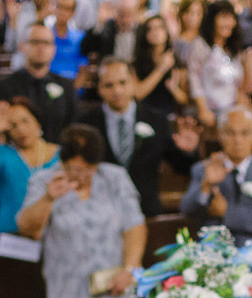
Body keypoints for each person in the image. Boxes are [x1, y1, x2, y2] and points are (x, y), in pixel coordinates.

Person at [17, 125, 145, 298]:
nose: (83, 175)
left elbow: (134, 226)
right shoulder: (45, 180)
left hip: (111, 290)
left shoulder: (114, 178)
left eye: (89, 169)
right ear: (63, 161)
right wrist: (47, 199)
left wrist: (131, 267)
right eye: (76, 168)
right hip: (67, 294)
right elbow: (28, 229)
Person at [182, 106, 252, 296]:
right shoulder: (203, 169)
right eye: (230, 133)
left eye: (244, 133)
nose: (237, 140)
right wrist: (205, 186)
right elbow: (187, 210)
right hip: (216, 264)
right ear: (220, 135)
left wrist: (227, 212)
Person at [80, 58, 199, 217]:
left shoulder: (156, 120)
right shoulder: (86, 124)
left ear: (133, 82)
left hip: (146, 213)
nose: (117, 91)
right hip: (101, 215)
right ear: (99, 89)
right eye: (109, 85)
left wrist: (188, 151)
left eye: (123, 82)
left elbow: (182, 167)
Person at [0, 97, 60, 234]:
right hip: (11, 235)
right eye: (13, 125)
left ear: (38, 122)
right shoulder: (3, 154)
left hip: (53, 233)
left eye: (25, 121)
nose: (21, 129)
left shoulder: (61, 154)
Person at [0, 24, 77, 144]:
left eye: (46, 43)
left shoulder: (67, 86)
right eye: (35, 42)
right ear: (21, 46)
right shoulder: (5, 86)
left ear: (54, 49)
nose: (41, 47)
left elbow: (72, 127)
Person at [188, 0, 243, 129]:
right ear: (212, 20)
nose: (229, 23)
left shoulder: (233, 49)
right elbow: (194, 79)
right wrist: (203, 110)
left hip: (230, 114)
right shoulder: (201, 45)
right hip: (208, 114)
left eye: (231, 18)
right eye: (224, 18)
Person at [133, 14, 187, 116]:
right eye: (150, 29)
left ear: (166, 31)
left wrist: (173, 88)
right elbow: (137, 94)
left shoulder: (176, 61)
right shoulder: (137, 63)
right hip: (143, 115)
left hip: (168, 116)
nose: (155, 32)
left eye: (159, 27)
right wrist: (161, 69)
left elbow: (184, 100)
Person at [48, 0, 86, 79]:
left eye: (67, 9)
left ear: (73, 12)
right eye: (59, 7)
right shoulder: (45, 35)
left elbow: (83, 68)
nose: (62, 12)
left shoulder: (80, 37)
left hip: (72, 84)